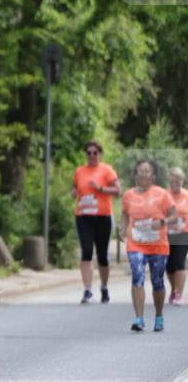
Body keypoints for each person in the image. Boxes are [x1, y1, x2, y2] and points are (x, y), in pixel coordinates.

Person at [120, 159, 175, 332]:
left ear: (153, 176)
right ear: (136, 175)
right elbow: (124, 214)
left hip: (158, 245)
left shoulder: (162, 194)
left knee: (157, 281)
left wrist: (162, 221)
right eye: (140, 170)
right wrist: (123, 229)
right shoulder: (128, 195)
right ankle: (139, 318)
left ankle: (159, 316)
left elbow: (174, 216)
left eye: (146, 171)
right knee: (137, 275)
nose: (143, 173)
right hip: (136, 243)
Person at [71, 140, 121, 304]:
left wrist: (100, 188)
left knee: (102, 255)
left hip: (102, 216)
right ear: (86, 154)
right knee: (86, 251)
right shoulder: (80, 171)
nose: (92, 155)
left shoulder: (107, 170)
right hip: (84, 215)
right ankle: (87, 290)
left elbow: (118, 191)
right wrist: (74, 192)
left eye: (95, 153)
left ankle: (104, 287)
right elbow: (74, 187)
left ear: (100, 154)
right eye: (89, 153)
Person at [166, 166, 188, 306]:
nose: (176, 183)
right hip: (167, 234)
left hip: (184, 233)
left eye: (178, 180)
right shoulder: (164, 195)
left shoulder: (187, 195)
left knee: (180, 262)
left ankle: (179, 294)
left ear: (182, 181)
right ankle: (173, 290)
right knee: (169, 266)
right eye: (173, 181)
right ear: (169, 180)